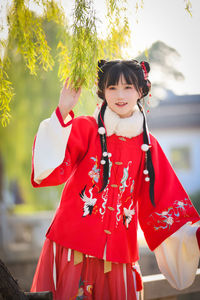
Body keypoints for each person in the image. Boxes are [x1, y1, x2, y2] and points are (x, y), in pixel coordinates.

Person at [30, 59, 200, 300]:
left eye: (128, 87)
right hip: (71, 249)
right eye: (112, 88)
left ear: (141, 91)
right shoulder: (87, 128)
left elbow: (164, 200)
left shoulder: (148, 147)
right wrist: (64, 110)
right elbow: (51, 167)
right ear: (103, 92)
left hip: (118, 256)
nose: (120, 95)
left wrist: (192, 234)